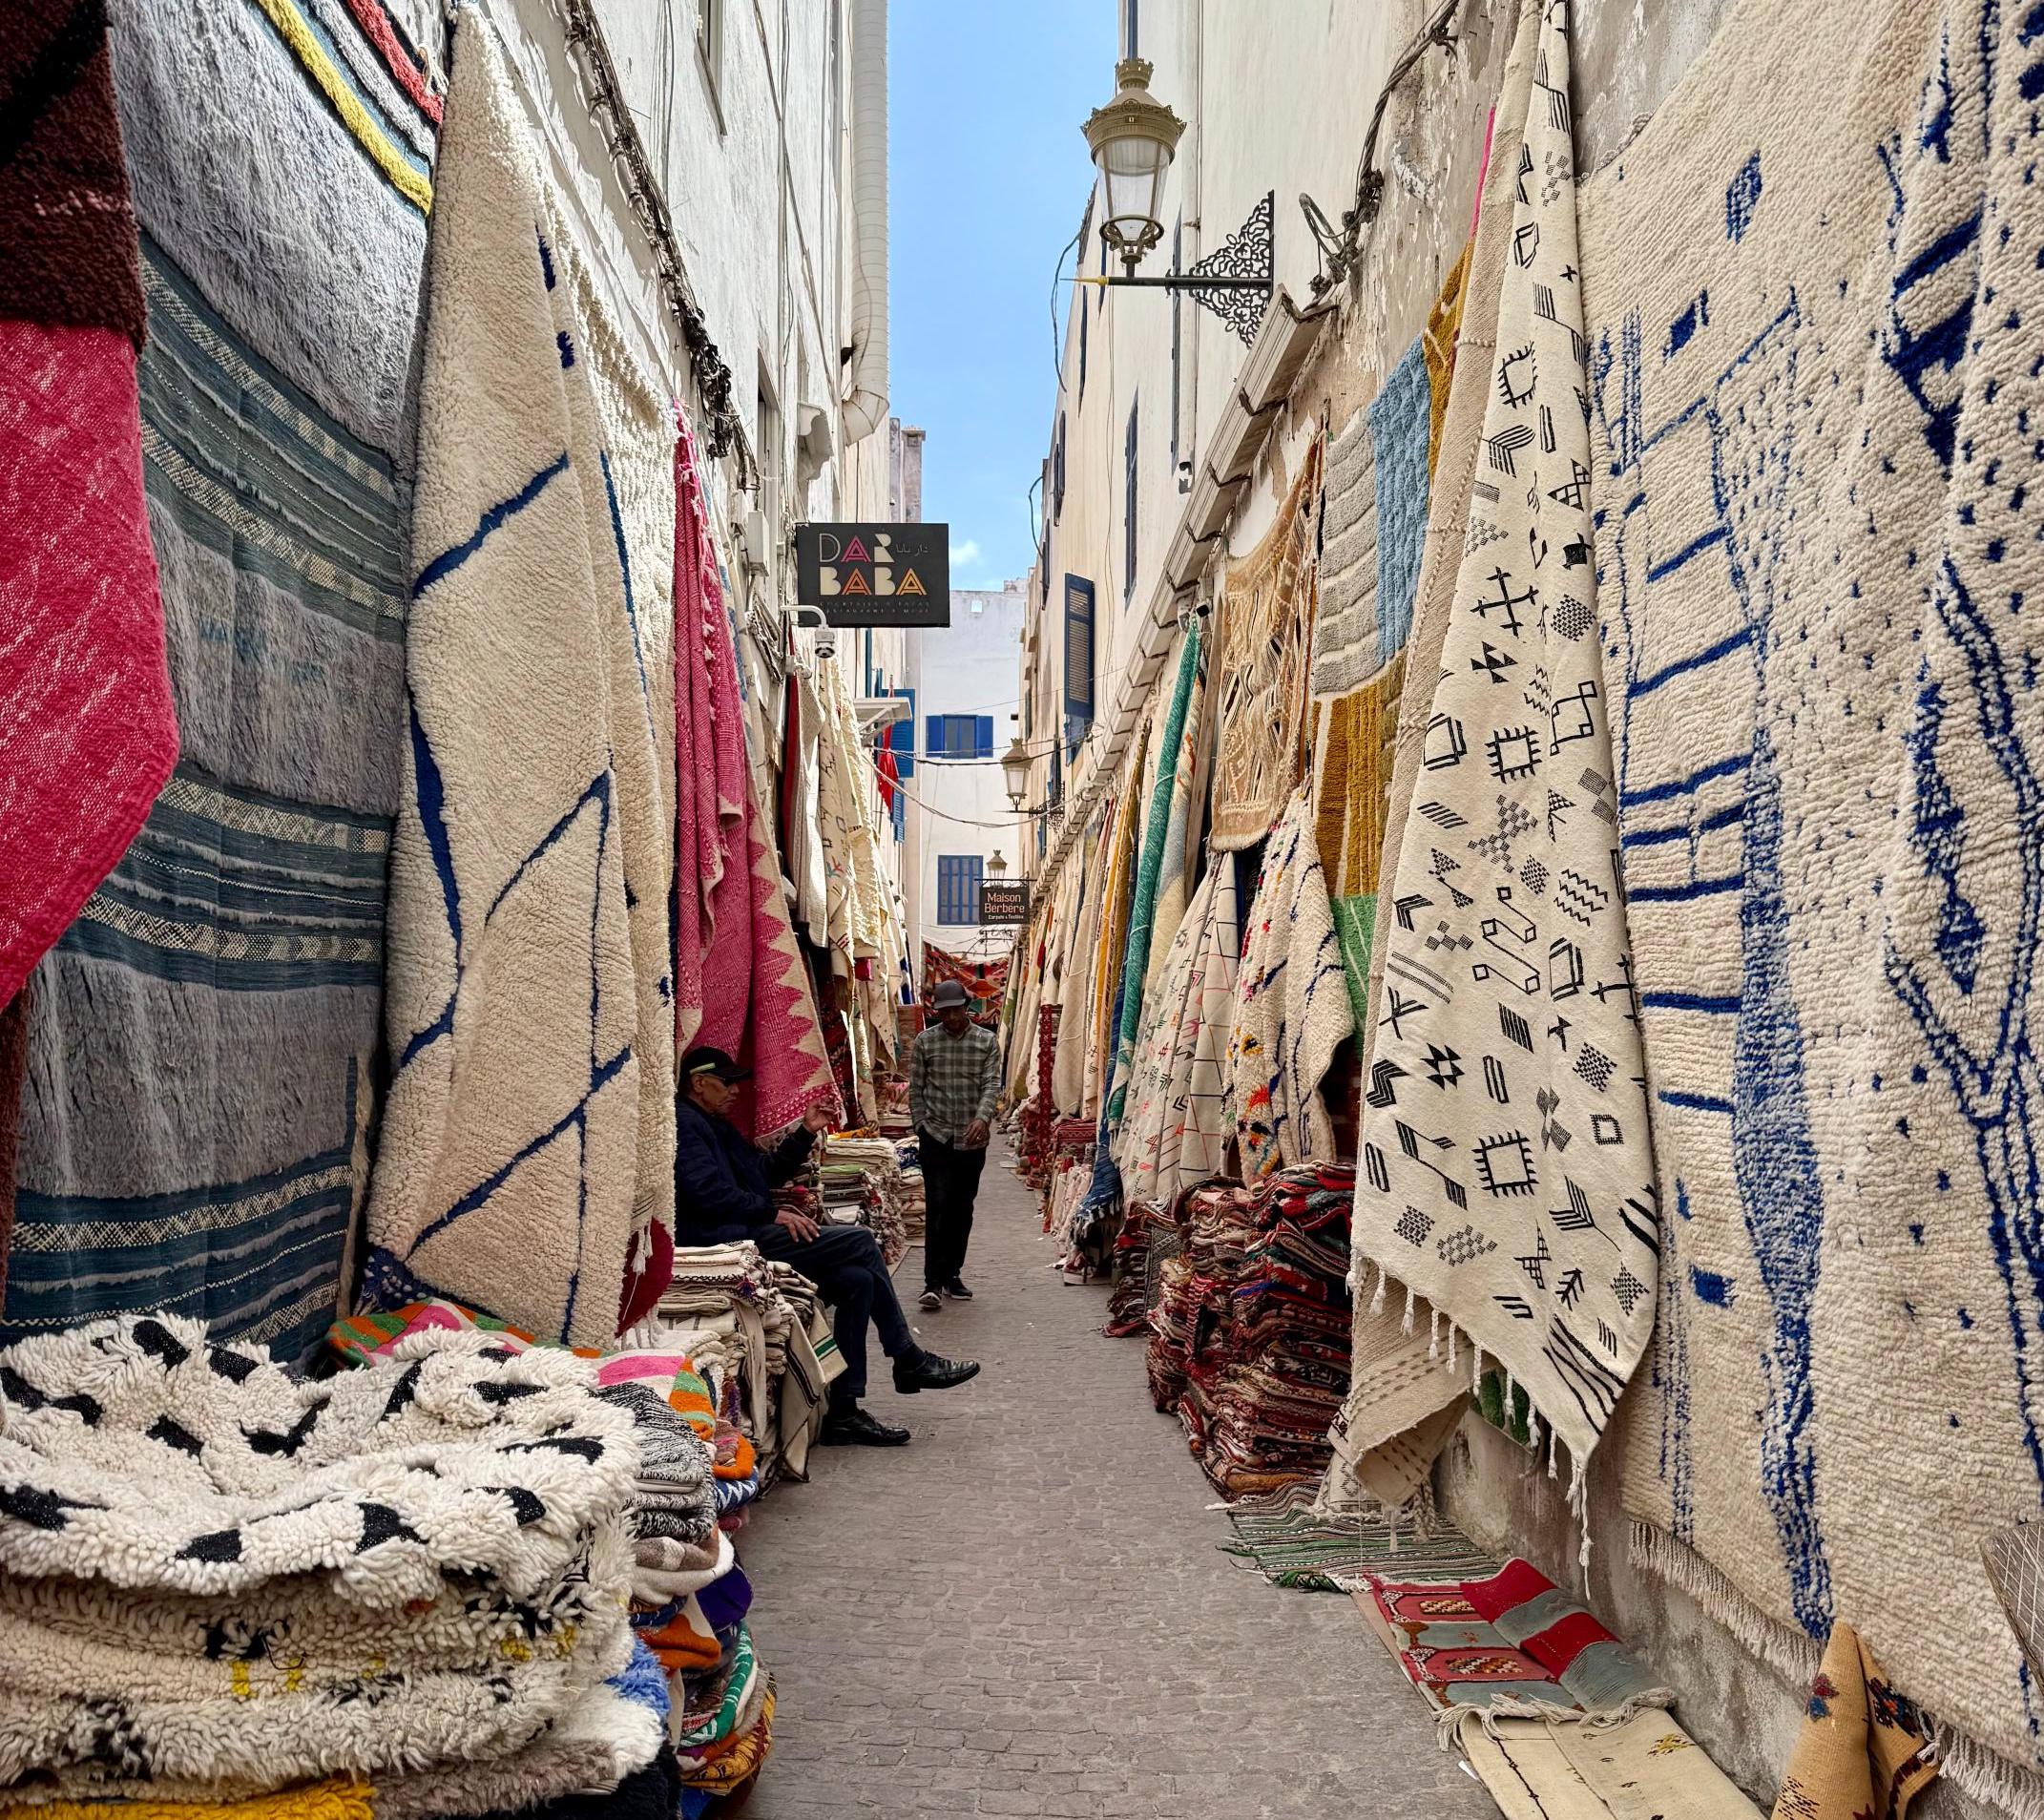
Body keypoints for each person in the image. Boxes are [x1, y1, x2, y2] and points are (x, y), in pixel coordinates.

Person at [673, 1046, 979, 1446]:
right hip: (719, 1239)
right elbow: (706, 1193)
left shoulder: (717, 1126)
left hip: (744, 1229)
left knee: (857, 1281)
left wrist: (805, 1132)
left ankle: (845, 1410)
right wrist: (771, 1214)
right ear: (699, 1083)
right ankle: (906, 1357)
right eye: (727, 1082)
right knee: (860, 1240)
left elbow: (761, 1174)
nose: (735, 1090)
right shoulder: (685, 1123)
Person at [907, 978, 1003, 1312]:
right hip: (935, 1135)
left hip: (972, 1138)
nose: (951, 1018)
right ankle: (931, 1282)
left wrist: (983, 1118)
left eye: (956, 1010)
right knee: (937, 1204)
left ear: (968, 1007)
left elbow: (992, 1084)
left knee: (963, 1208)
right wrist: (921, 1126)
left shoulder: (986, 1041)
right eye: (945, 1012)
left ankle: (952, 1274)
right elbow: (915, 1088)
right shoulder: (925, 1042)